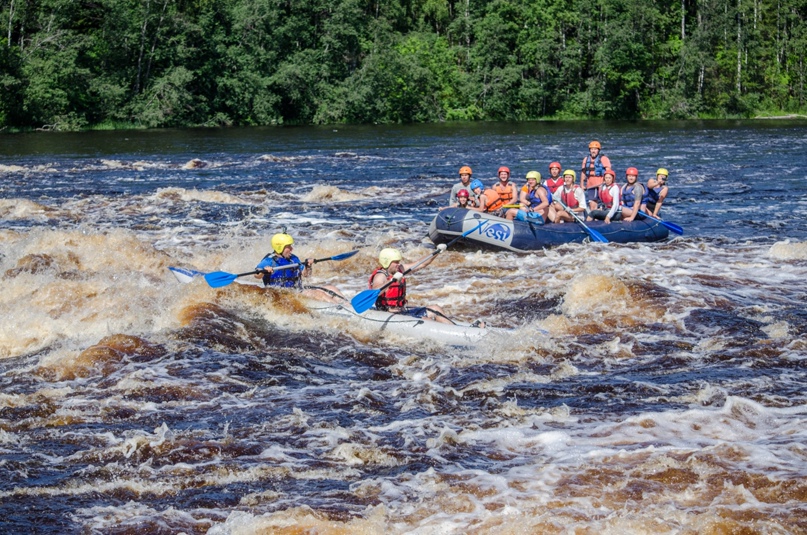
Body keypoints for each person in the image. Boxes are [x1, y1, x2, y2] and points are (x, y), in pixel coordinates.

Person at [369, 247, 454, 324]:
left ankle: (454, 330)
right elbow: (375, 291)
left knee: (435, 308)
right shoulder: (381, 276)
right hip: (389, 315)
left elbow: (421, 263)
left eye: (399, 261)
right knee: (427, 320)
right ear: (386, 262)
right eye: (396, 262)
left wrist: (437, 252)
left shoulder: (399, 269)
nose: (399, 264)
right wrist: (391, 281)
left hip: (403, 312)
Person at [255, 232, 346, 303]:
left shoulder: (293, 258)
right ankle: (341, 309)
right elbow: (257, 274)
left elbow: (306, 275)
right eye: (288, 247)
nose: (291, 249)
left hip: (296, 291)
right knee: (318, 294)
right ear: (279, 247)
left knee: (331, 288)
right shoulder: (269, 261)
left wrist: (308, 266)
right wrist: (264, 271)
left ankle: (348, 306)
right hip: (282, 295)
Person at [580, 141, 612, 211]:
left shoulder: (604, 159)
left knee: (604, 204)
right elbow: (583, 172)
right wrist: (582, 185)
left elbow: (609, 172)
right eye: (592, 149)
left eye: (595, 149)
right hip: (591, 186)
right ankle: (593, 218)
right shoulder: (586, 159)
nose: (593, 151)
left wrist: (606, 183)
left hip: (601, 185)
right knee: (592, 205)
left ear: (598, 150)